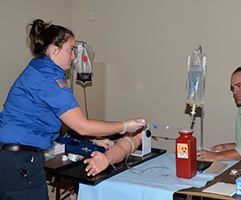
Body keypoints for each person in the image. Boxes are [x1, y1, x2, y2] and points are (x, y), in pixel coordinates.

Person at [0, 19, 147, 200]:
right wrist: (126, 126)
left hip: (11, 156)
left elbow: (64, 118)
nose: (74, 56)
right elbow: (82, 125)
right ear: (54, 49)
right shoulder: (48, 79)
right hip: (19, 158)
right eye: (71, 49)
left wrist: (94, 139)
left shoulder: (39, 68)